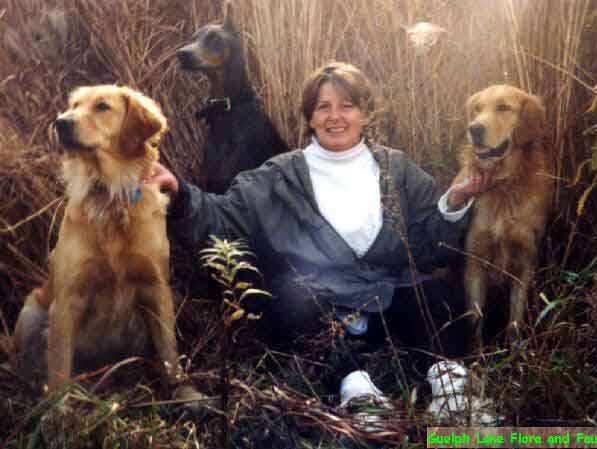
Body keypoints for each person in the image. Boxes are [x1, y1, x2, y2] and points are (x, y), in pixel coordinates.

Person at [147, 61, 493, 419]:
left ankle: (454, 393)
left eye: (347, 106)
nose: (335, 117)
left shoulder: (398, 169)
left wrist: (453, 202)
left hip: (388, 295)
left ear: (365, 114)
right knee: (287, 296)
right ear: (309, 118)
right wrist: (181, 193)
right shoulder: (279, 175)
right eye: (323, 107)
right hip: (320, 304)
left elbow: (428, 243)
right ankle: (358, 393)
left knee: (438, 296)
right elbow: (224, 216)